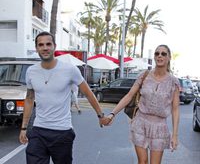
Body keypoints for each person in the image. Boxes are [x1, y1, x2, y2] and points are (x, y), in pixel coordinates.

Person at [19, 31, 106, 164]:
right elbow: (30, 99)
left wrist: (100, 116)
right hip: (38, 130)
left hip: (62, 132)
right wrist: (24, 128)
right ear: (36, 48)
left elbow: (88, 93)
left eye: (48, 44)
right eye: (41, 45)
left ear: (54, 46)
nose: (45, 48)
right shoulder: (31, 71)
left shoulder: (70, 70)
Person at [104, 44, 180, 164]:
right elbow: (129, 96)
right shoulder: (144, 76)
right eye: (157, 53)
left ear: (169, 57)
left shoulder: (173, 82)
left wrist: (175, 135)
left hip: (160, 127)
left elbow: (175, 109)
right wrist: (112, 114)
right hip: (141, 123)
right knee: (142, 161)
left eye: (163, 53)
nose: (159, 56)